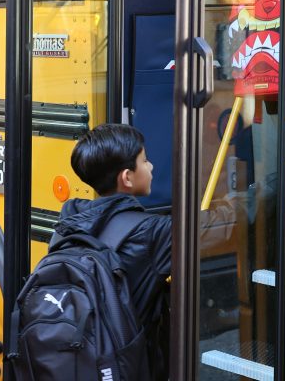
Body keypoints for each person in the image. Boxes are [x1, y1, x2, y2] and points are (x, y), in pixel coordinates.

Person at [51, 123, 170, 380]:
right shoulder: (152, 233)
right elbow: (218, 228)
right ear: (127, 177)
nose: (151, 167)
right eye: (145, 161)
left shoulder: (68, 220)